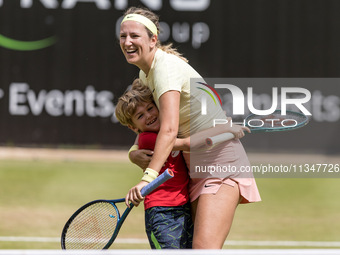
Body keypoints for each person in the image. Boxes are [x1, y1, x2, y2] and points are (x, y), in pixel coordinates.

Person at [119, 6, 261, 249]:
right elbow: (152, 127)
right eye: (123, 36)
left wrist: (147, 179)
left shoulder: (165, 69)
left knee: (204, 250)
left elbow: (169, 130)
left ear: (153, 40)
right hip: (192, 170)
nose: (127, 42)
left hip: (220, 162)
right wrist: (134, 152)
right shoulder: (146, 76)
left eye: (135, 36)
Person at [115, 79, 193, 249]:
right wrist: (223, 130)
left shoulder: (163, 129)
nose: (149, 115)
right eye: (140, 116)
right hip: (161, 213)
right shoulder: (149, 139)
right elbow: (188, 143)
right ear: (133, 127)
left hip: (183, 206)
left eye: (150, 108)